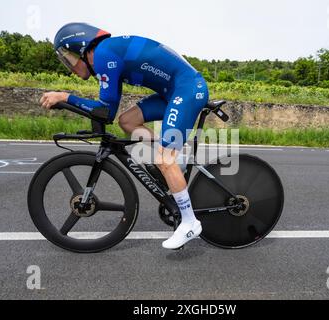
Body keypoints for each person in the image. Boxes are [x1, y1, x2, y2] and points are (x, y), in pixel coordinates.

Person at [40, 22, 209, 250]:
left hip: (187, 89)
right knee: (127, 121)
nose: (69, 66)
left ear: (80, 48)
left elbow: (105, 111)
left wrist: (65, 97)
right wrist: (67, 101)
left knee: (163, 159)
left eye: (68, 57)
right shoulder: (107, 52)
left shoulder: (103, 54)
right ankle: (173, 162)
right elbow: (110, 112)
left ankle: (190, 222)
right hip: (173, 91)